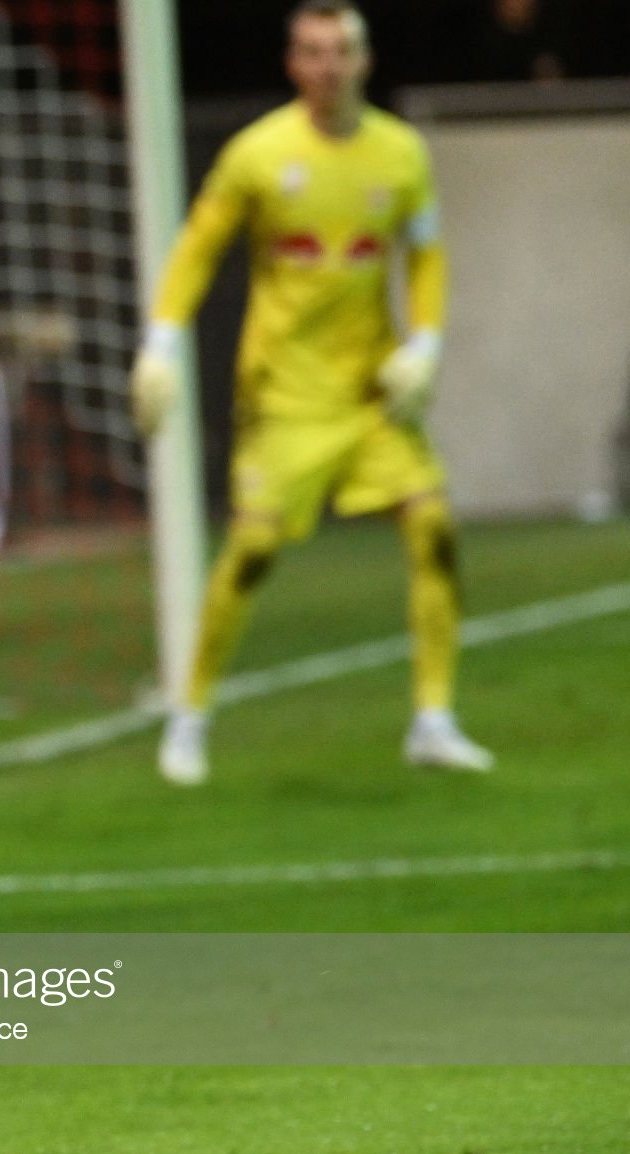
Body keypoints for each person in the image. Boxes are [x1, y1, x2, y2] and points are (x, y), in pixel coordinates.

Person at [132, 0, 493, 786]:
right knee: (254, 549)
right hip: (285, 395)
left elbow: (426, 257)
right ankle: (189, 716)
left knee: (434, 529)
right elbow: (198, 248)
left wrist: (425, 344)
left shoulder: (401, 155)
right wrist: (162, 340)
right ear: (293, 64)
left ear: (366, 60)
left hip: (372, 393)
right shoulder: (259, 154)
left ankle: (434, 718)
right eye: (313, 51)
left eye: (343, 50)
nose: (329, 65)